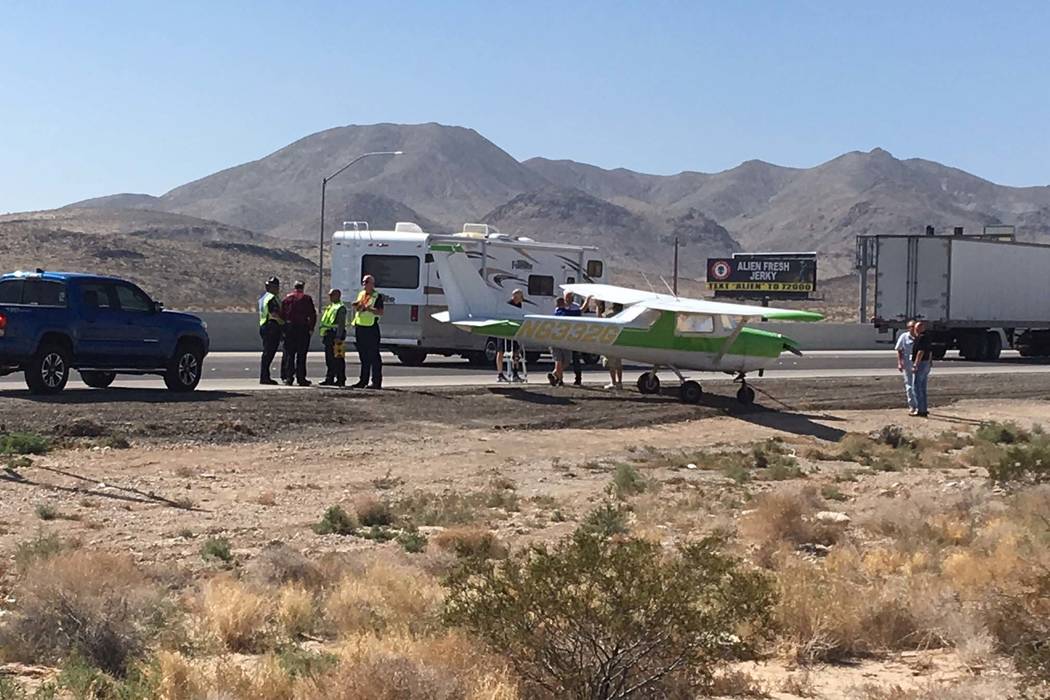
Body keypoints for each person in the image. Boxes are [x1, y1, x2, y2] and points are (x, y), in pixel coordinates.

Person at [280, 281, 317, 386]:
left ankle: (289, 377)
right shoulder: (306, 299)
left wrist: (284, 329)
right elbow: (312, 315)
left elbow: (282, 315)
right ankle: (301, 378)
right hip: (302, 329)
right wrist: (311, 328)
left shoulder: (287, 299)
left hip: (290, 329)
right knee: (301, 355)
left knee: (290, 355)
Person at [351, 274, 385, 389]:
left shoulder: (377, 296)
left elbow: (380, 312)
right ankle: (363, 380)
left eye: (366, 282)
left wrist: (368, 309)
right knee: (363, 356)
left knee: (374, 356)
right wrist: (357, 306)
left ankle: (376, 381)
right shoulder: (361, 294)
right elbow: (360, 306)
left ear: (372, 284)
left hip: (371, 328)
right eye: (363, 282)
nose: (364, 284)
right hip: (360, 327)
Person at [318, 288, 348, 386]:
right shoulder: (331, 306)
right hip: (329, 335)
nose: (330, 297)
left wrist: (339, 336)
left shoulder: (340, 307)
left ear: (338, 295)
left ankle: (341, 379)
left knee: (338, 358)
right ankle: (329, 378)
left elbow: (341, 324)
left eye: (332, 295)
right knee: (329, 359)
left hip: (336, 335)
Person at [257, 276, 283, 385]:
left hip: (264, 325)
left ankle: (265, 376)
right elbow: (274, 314)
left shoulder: (263, 298)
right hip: (271, 326)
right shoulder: (272, 298)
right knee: (269, 352)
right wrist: (283, 322)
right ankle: (265, 377)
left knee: (267, 352)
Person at [496, 289, 525, 382]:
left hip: (513, 332)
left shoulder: (519, 305)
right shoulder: (508, 305)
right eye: (521, 297)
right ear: (516, 297)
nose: (522, 299)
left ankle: (515, 373)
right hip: (503, 330)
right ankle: (500, 374)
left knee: (516, 351)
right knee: (501, 352)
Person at [547, 297, 572, 386]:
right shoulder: (562, 312)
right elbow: (578, 312)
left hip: (554, 339)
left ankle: (555, 374)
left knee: (561, 361)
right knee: (561, 361)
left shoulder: (556, 312)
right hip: (560, 340)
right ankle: (559, 379)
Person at [911, 320, 933, 417]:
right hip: (926, 363)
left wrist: (916, 364)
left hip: (922, 363)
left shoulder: (921, 338)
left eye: (916, 328)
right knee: (923, 387)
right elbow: (930, 351)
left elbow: (921, 352)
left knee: (916, 386)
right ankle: (923, 408)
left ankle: (919, 409)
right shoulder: (927, 337)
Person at [561, 290, 583, 385]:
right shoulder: (560, 307)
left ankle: (578, 378)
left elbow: (578, 314)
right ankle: (559, 378)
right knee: (562, 359)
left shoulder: (576, 307)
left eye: (570, 297)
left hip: (574, 336)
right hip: (563, 336)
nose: (569, 299)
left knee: (576, 358)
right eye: (567, 297)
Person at [895, 320, 917, 414]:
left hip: (918, 363)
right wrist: (900, 363)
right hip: (908, 362)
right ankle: (912, 405)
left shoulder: (919, 336)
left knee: (917, 385)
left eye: (914, 326)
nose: (913, 328)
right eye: (911, 327)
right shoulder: (904, 337)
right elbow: (899, 350)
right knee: (909, 385)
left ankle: (919, 405)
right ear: (908, 328)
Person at [602, 302, 624, 390]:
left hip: (610, 341)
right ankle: (620, 382)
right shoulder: (624, 315)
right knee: (618, 363)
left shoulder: (609, 315)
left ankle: (613, 382)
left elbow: (601, 318)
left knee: (611, 364)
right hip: (619, 341)